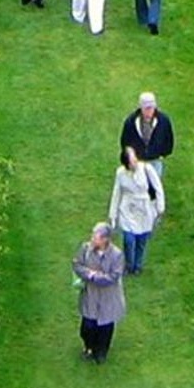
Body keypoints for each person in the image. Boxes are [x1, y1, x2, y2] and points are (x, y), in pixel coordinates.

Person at [72, 223, 125, 363]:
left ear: (105, 239)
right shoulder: (85, 249)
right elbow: (77, 265)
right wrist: (89, 274)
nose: (92, 240)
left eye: (95, 237)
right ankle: (89, 346)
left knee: (105, 327)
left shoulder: (116, 255)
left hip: (108, 296)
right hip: (90, 294)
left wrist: (96, 277)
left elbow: (113, 277)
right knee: (87, 326)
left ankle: (101, 351)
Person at [109, 146, 165, 275]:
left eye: (135, 159)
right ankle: (129, 264)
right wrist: (113, 215)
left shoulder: (146, 169)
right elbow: (116, 193)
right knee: (129, 239)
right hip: (127, 208)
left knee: (142, 239)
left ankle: (138, 265)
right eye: (132, 161)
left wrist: (160, 207)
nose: (135, 163)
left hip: (144, 208)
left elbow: (158, 188)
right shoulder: (120, 173)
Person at [120, 91, 174, 179]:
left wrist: (162, 154)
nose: (149, 111)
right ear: (141, 107)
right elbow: (125, 141)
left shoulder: (163, 121)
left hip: (155, 160)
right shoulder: (131, 121)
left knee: (154, 186)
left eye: (151, 108)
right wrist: (131, 155)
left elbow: (169, 139)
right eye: (146, 108)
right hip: (137, 160)